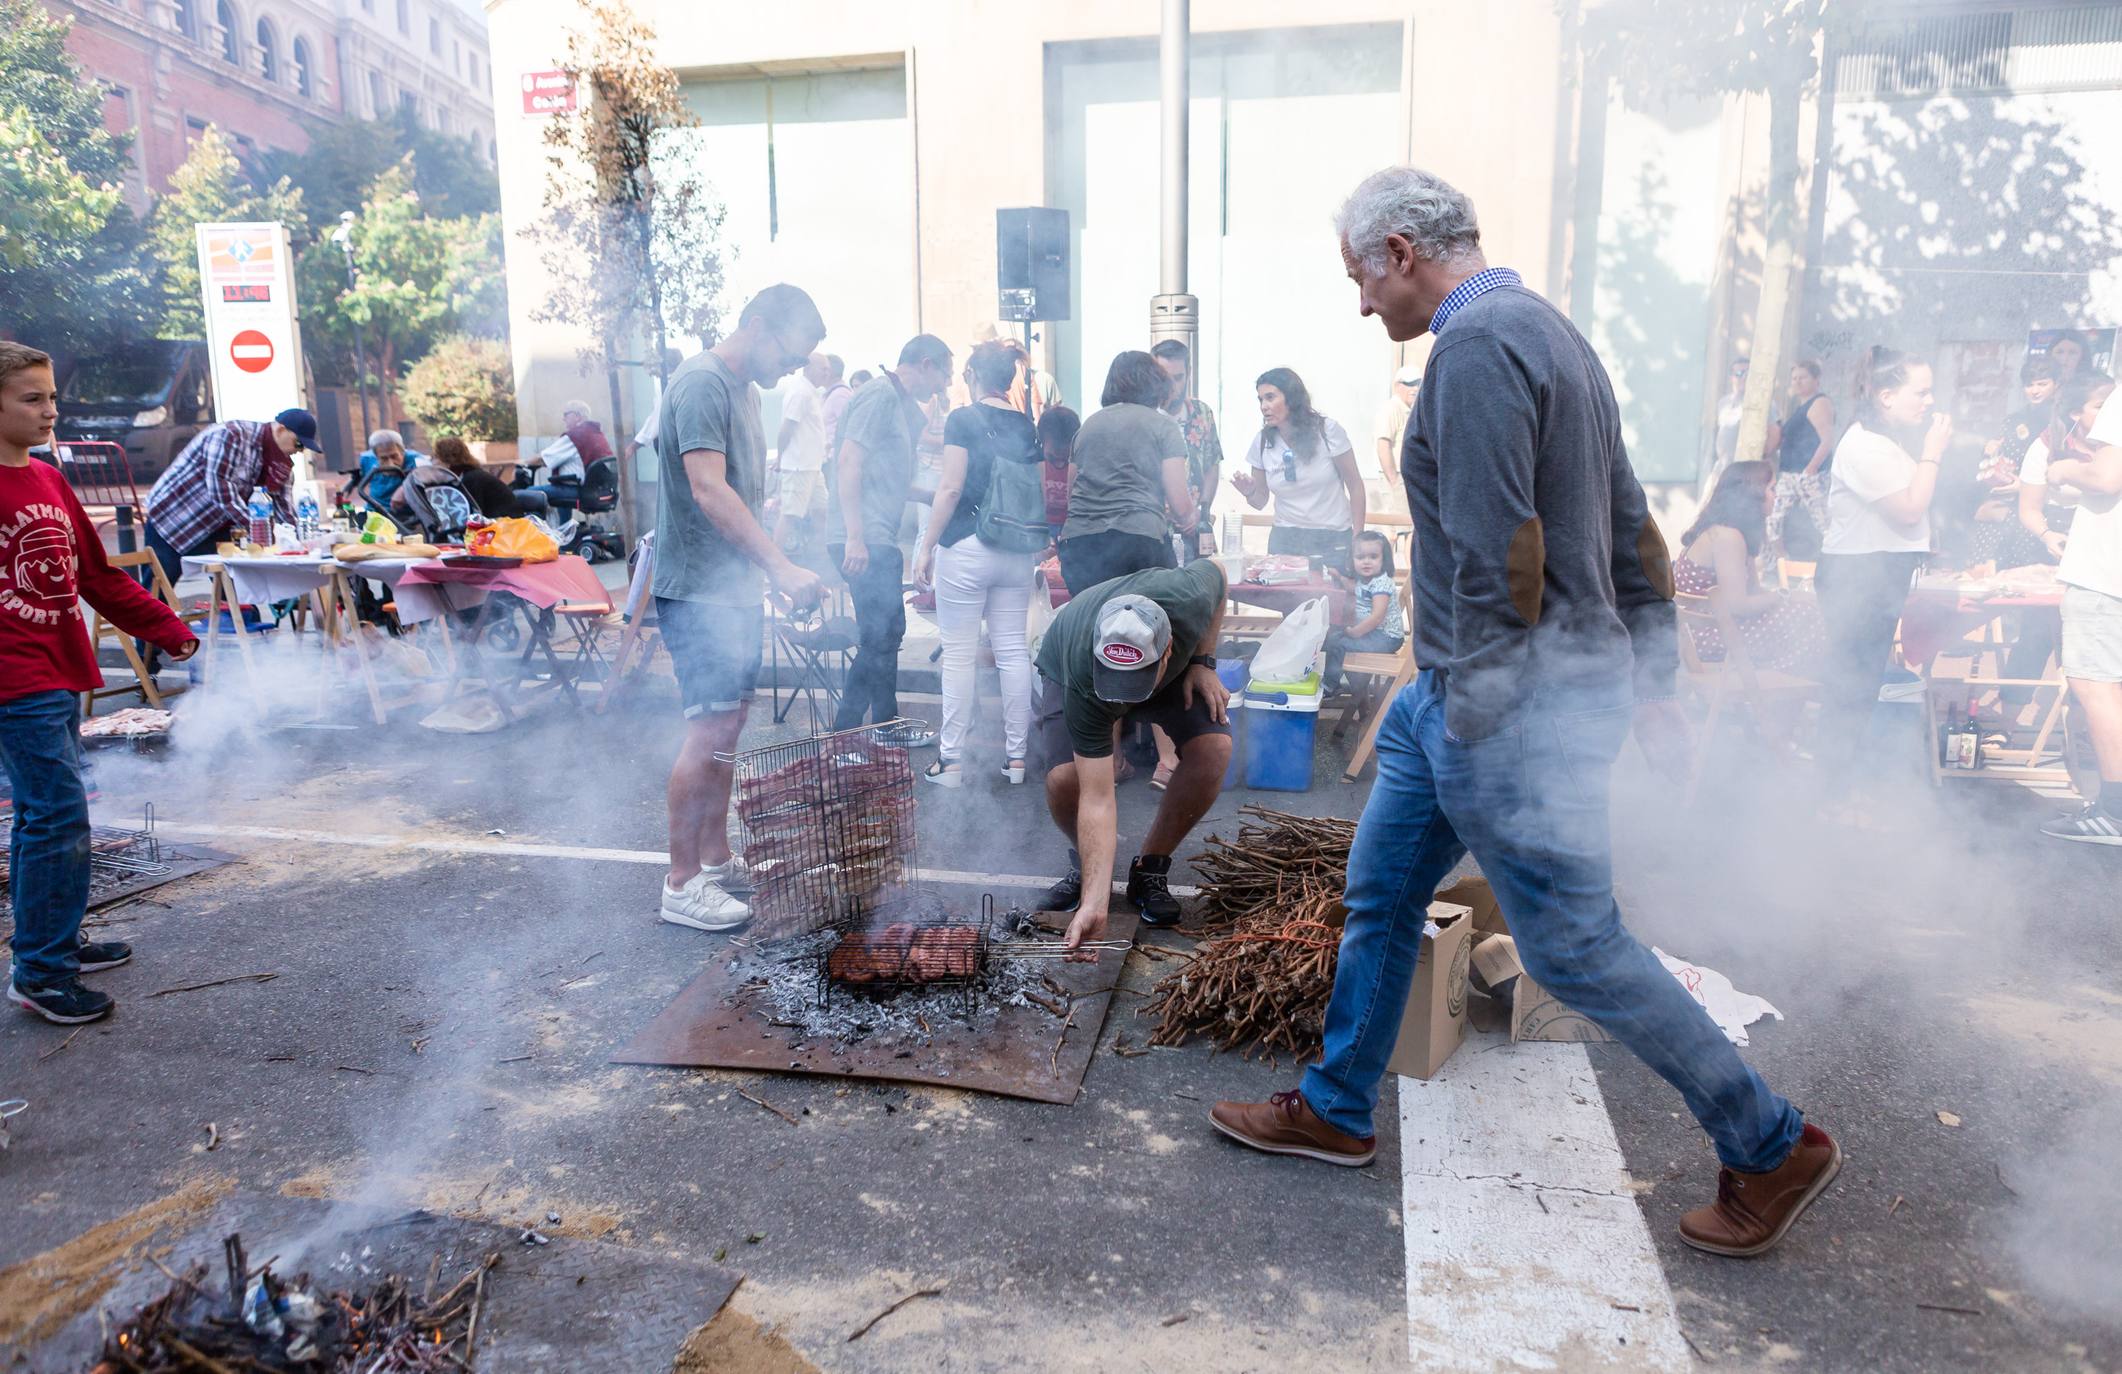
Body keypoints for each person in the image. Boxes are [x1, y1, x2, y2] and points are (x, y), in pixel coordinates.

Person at [1214, 166, 1838, 1263]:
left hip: (1503, 704)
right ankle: (1337, 1108)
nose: (1362, 303)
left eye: (1361, 277)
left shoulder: (1474, 348)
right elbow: (1634, 526)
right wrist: (1648, 674)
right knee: (1381, 891)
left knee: (1577, 946)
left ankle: (1769, 1142)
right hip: (1462, 697)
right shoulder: (1548, 330)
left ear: (1402, 251)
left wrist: (1483, 714)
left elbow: (1507, 550)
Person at [1, 343, 200, 1025]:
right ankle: (40, 973)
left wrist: (168, 627)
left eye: (51, 395)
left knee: (44, 815)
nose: (50, 409)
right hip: (12, 681)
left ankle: (50, 942)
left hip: (58, 674)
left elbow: (97, 576)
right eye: (31, 398)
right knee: (56, 813)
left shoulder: (51, 482)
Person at [654, 284, 828, 933]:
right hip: (697, 590)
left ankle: (715, 857)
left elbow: (747, 501)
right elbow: (707, 489)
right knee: (708, 731)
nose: (793, 367)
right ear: (757, 326)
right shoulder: (702, 383)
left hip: (729, 591)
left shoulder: (748, 393)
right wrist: (778, 567)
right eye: (790, 351)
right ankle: (680, 882)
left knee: (728, 727)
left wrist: (778, 564)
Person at [1037, 558, 1232, 935]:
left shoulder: (1188, 595)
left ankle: (1150, 868)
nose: (1124, 700)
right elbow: (1098, 796)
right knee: (1066, 780)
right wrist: (1095, 906)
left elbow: (1220, 572)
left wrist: (1203, 662)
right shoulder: (1083, 670)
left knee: (1214, 748)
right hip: (1080, 672)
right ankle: (1090, 871)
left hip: (1172, 668)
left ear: (1169, 647)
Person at [912, 341, 1044, 788]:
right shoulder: (1027, 425)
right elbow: (1038, 490)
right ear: (1007, 380)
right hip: (1015, 551)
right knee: (1011, 651)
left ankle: (950, 761)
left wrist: (926, 546)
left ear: (972, 375)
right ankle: (1017, 759)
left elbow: (950, 488)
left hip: (966, 547)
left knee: (960, 654)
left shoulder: (963, 419)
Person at [1814, 346, 1952, 771]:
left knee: (1860, 684)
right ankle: (1830, 793)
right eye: (1921, 392)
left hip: (1877, 575)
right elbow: (1909, 508)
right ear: (1885, 396)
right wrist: (1933, 452)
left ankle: (1840, 788)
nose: (1930, 402)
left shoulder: (1886, 442)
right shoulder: (1863, 446)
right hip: (1857, 576)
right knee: (1850, 688)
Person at [831, 333, 953, 740]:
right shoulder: (879, 395)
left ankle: (885, 724)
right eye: (943, 376)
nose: (943, 387)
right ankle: (843, 734)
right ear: (924, 363)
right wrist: (854, 537)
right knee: (879, 635)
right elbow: (849, 461)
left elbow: (890, 482)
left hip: (875, 535)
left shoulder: (900, 407)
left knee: (886, 634)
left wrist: (934, 495)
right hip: (863, 536)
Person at [2036, 368, 2122, 843]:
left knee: (2098, 688)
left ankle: (2115, 812)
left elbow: (2108, 477)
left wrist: (2064, 469)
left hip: (2106, 574)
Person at [1057, 351, 1195, 595]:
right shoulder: (1163, 426)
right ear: (1155, 383)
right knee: (1147, 623)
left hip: (1080, 545)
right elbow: (1179, 504)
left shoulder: (1089, 425)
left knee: (1093, 624)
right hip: (1139, 543)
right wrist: (1191, 520)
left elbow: (1071, 494)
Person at [1674, 460, 1826, 675]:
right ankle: (1780, 694)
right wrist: (1782, 596)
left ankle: (1781, 694)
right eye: (1771, 489)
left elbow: (1754, 591)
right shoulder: (1727, 537)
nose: (1777, 496)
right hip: (1707, 635)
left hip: (1719, 627)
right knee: (1805, 621)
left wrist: (1793, 596)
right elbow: (1739, 606)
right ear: (1752, 494)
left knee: (1808, 608)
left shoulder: (1736, 533)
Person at [143, 406, 312, 583]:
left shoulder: (282, 466)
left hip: (218, 526)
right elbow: (220, 490)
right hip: (173, 519)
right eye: (298, 443)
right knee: (157, 591)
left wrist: (298, 542)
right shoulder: (231, 435)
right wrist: (258, 527)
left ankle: (239, 611)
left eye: (304, 448)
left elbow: (285, 510)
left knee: (235, 592)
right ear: (280, 429)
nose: (299, 451)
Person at [1230, 367, 1366, 575]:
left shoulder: (1327, 430)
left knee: (1334, 604)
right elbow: (1259, 502)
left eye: (1270, 397)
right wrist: (1248, 491)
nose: (1264, 406)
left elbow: (1355, 485)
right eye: (1260, 400)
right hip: (1286, 539)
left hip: (1333, 537)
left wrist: (1358, 538)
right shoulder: (1262, 441)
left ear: (1291, 398)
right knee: (1292, 605)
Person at [1151, 339, 1223, 559]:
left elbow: (1212, 466)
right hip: (1155, 533)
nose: (1172, 386)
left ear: (1189, 373)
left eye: (1178, 377)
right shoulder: (1144, 417)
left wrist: (1202, 511)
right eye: (1164, 377)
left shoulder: (1202, 413)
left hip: (1196, 533)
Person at [1321, 529, 1404, 691]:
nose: (1366, 562)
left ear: (1384, 559)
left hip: (1386, 638)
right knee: (1332, 638)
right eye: (1360, 557)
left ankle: (1330, 687)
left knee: (1341, 645)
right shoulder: (1366, 580)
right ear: (1352, 560)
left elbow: (1377, 617)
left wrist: (1356, 632)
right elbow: (1353, 588)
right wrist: (1339, 576)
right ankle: (1354, 688)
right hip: (1374, 633)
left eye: (1373, 557)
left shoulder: (1382, 583)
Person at [1769, 359, 1835, 556]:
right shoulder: (1799, 406)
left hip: (1809, 476)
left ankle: (1834, 564)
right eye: (1794, 378)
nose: (1797, 382)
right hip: (1789, 475)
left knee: (1824, 522)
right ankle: (1779, 564)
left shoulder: (1820, 403)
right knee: (1773, 519)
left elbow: (1827, 440)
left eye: (1803, 377)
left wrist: (1811, 469)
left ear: (1816, 379)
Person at [773, 353, 835, 551]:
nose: (827, 373)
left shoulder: (811, 392)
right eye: (822, 368)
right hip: (799, 466)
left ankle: (821, 557)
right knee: (790, 515)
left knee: (823, 512)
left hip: (813, 466)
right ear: (807, 368)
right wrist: (780, 457)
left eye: (828, 369)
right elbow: (787, 427)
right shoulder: (800, 392)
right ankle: (774, 562)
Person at [526, 399, 611, 524]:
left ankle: (539, 535)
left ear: (577, 416)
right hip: (597, 490)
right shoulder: (596, 433)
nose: (563, 419)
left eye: (566, 414)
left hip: (580, 490)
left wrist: (521, 462)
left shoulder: (576, 436)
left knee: (528, 494)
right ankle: (565, 533)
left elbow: (542, 458)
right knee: (560, 486)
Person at [433, 436, 542, 520]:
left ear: (448, 459)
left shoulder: (471, 479)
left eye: (436, 457)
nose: (434, 462)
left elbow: (474, 515)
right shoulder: (469, 475)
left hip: (505, 530)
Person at [1369, 365, 1421, 517]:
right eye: (1410, 384)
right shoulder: (1391, 409)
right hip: (1394, 478)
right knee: (1399, 527)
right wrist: (1394, 481)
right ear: (1398, 386)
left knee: (1407, 528)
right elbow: (1383, 446)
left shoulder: (1409, 410)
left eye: (1418, 383)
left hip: (1405, 478)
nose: (1415, 388)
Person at [1039, 406, 1080, 543]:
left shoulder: (1079, 465)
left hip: (1070, 527)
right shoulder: (1037, 466)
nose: (1060, 463)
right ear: (1041, 442)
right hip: (1043, 526)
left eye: (1065, 457)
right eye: (1054, 454)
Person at [1711, 358, 1749, 478]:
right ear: (1731, 377)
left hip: (1746, 471)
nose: (1743, 377)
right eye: (1738, 374)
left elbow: (1774, 434)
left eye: (1747, 373)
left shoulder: (1761, 403)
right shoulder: (1723, 402)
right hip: (1723, 468)